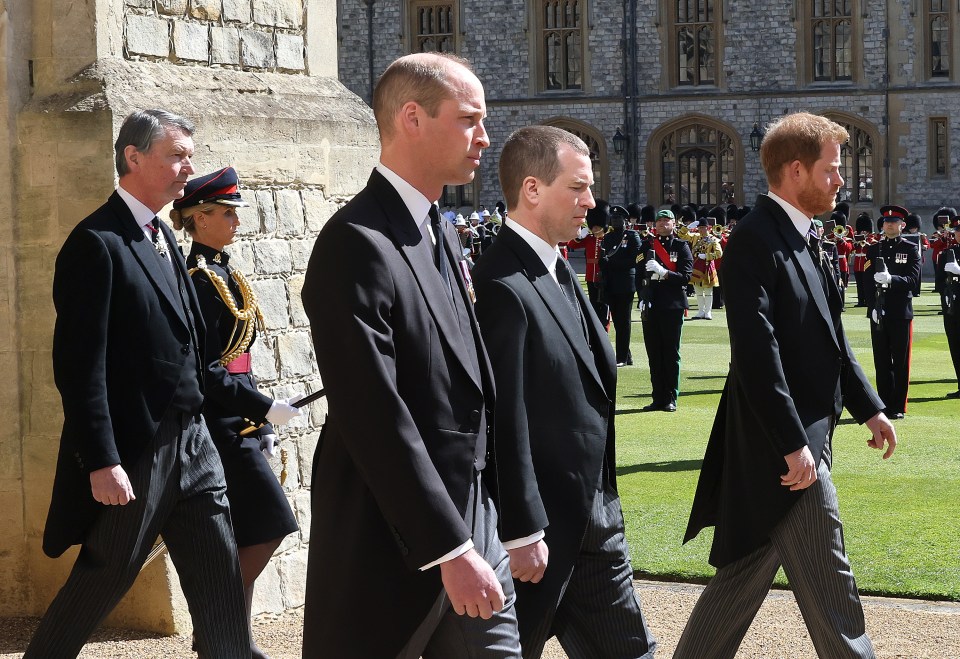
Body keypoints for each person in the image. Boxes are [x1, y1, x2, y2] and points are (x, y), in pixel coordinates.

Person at [299, 53, 520, 658]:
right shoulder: (356, 242)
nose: (484, 137)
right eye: (469, 119)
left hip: (472, 511)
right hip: (394, 533)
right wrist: (449, 549)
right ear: (413, 118)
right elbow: (373, 410)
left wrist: (506, 517)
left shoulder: (435, 226)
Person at [25, 109, 249, 658]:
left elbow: (187, 348)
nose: (186, 168)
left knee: (220, 575)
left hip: (193, 442)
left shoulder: (162, 238)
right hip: (139, 450)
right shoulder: (96, 243)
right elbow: (80, 366)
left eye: (189, 156)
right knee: (104, 576)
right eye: (176, 155)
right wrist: (101, 460)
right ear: (133, 157)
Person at [677, 112, 897, 659]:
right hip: (783, 448)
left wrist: (869, 407)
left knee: (742, 579)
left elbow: (829, 337)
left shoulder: (807, 235)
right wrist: (791, 442)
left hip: (806, 437)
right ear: (796, 171)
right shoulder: (755, 240)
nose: (840, 180)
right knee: (834, 590)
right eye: (832, 170)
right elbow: (757, 354)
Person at [472, 125, 657, 659]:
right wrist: (522, 526)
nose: (590, 201)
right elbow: (506, 415)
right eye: (577, 188)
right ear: (533, 189)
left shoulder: (555, 267)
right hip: (543, 532)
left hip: (595, 520)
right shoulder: (503, 283)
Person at [170, 166, 301, 659]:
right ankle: (219, 630)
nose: (235, 222)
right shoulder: (201, 280)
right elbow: (205, 371)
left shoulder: (223, 272)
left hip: (241, 421)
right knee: (268, 527)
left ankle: (231, 639)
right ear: (199, 219)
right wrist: (263, 408)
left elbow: (238, 357)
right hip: (221, 426)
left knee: (251, 534)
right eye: (226, 213)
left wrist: (261, 413)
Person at [864, 206, 921, 419]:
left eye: (894, 221)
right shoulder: (874, 249)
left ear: (902, 225)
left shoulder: (910, 248)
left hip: (899, 312)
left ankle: (898, 405)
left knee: (900, 360)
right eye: (886, 221)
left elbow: (913, 282)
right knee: (881, 360)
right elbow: (867, 284)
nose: (889, 224)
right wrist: (872, 308)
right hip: (879, 312)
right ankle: (884, 403)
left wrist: (891, 280)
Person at [637, 209, 694, 412]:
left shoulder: (681, 246)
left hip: (672, 305)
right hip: (651, 305)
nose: (662, 224)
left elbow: (686, 277)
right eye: (659, 221)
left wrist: (664, 273)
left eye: (666, 221)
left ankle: (671, 397)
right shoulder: (646, 246)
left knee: (670, 353)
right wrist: (641, 297)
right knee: (654, 353)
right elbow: (638, 275)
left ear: (673, 224)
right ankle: (657, 397)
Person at [601, 202, 642, 365]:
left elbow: (636, 259)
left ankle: (622, 357)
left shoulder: (632, 236)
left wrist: (612, 263)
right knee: (617, 321)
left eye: (619, 218)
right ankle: (627, 355)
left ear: (625, 220)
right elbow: (604, 258)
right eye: (613, 218)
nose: (616, 221)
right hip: (610, 283)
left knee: (624, 321)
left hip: (626, 283)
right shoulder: (608, 237)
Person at [566, 205, 610, 330]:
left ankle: (604, 327)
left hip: (604, 276)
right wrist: (580, 236)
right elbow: (572, 245)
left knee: (604, 305)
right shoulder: (589, 238)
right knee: (593, 304)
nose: (594, 228)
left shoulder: (607, 238)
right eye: (593, 225)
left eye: (597, 225)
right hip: (591, 276)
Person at [936, 218, 960, 398]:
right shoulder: (947, 253)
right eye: (957, 230)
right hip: (952, 307)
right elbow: (940, 282)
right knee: (955, 345)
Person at [688, 216, 722, 319]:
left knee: (708, 291)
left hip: (707, 266)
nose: (701, 229)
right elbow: (682, 235)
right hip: (696, 266)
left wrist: (707, 256)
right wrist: (687, 227)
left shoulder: (712, 239)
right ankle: (700, 311)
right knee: (698, 291)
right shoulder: (695, 237)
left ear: (707, 228)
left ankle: (708, 312)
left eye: (703, 227)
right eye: (699, 227)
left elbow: (719, 253)